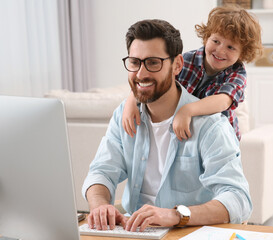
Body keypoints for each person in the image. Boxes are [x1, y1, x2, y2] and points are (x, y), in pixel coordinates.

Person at [82, 19, 252, 232]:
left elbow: (238, 199)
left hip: (188, 232)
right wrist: (100, 206)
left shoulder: (210, 125)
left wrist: (175, 215)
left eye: (153, 63)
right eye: (135, 62)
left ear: (178, 65)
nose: (141, 74)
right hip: (134, 232)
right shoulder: (123, 115)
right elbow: (102, 170)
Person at [122, 4, 262, 141]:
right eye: (216, 41)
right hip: (183, 129)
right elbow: (155, 78)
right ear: (206, 37)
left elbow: (223, 100)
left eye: (231, 47)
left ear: (242, 53)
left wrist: (187, 110)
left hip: (218, 137)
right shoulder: (187, 59)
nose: (220, 50)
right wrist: (131, 101)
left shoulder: (237, 73)